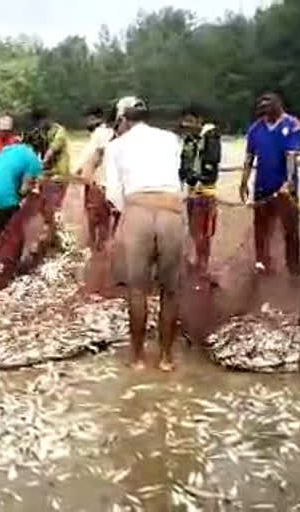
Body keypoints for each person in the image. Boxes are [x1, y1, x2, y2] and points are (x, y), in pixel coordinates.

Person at [104, 96, 185, 372]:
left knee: (137, 290)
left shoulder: (116, 146)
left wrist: (129, 213)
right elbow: (177, 176)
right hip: (171, 210)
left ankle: (137, 358)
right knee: (170, 291)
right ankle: (166, 358)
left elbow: (113, 193)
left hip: (138, 210)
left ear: (123, 120)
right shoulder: (171, 139)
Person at [240, 92, 300, 276]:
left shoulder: (292, 125)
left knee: (290, 230)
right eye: (262, 105)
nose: (264, 107)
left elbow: (291, 157)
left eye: (268, 104)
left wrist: (289, 183)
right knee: (261, 229)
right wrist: (244, 182)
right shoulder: (255, 129)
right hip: (262, 186)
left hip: (284, 187)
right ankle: (262, 264)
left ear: (278, 104)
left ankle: (293, 269)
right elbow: (249, 158)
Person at [0, 131, 43, 246]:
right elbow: (24, 189)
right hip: (4, 199)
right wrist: (27, 194)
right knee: (12, 233)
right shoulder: (32, 158)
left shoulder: (6, 150)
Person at [178, 105, 222, 275]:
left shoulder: (211, 137)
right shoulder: (189, 140)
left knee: (204, 231)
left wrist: (198, 178)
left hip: (206, 192)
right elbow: (183, 164)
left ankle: (203, 264)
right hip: (191, 192)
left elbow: (212, 161)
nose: (186, 124)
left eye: (189, 121)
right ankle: (198, 261)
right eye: (184, 121)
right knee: (194, 230)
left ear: (199, 121)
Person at [75, 106, 115, 252]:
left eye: (89, 119)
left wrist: (77, 171)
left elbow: (89, 155)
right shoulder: (109, 133)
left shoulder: (100, 133)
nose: (86, 123)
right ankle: (101, 246)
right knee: (105, 217)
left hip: (97, 182)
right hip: (108, 183)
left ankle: (95, 247)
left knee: (94, 215)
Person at [32, 108, 70, 178]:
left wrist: (42, 163)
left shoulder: (59, 130)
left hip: (59, 169)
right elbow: (35, 149)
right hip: (47, 169)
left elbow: (53, 148)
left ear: (48, 119)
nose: (40, 124)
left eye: (41, 120)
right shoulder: (39, 132)